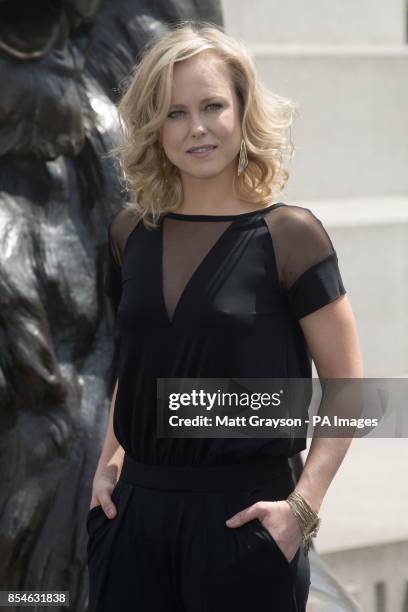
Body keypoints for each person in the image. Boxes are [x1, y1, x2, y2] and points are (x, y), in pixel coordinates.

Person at [86, 20, 363, 612]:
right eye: (175, 112)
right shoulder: (128, 234)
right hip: (132, 516)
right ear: (154, 126)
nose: (197, 128)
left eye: (213, 105)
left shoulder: (291, 237)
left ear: (242, 111)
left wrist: (302, 510)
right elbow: (133, 369)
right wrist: (108, 464)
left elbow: (349, 392)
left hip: (246, 525)